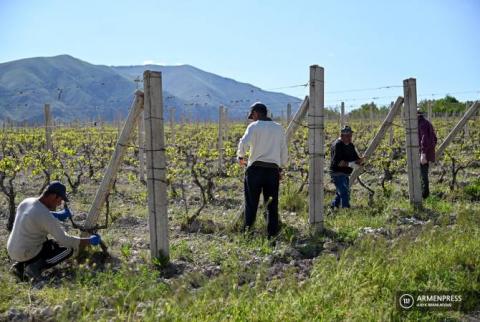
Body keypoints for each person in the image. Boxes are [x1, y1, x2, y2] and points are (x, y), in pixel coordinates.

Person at [7, 181, 102, 281]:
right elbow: (65, 240)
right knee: (68, 249)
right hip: (25, 252)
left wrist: (58, 215)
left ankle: (19, 267)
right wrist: (89, 240)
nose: (60, 203)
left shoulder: (27, 202)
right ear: (53, 196)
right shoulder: (46, 216)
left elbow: (36, 214)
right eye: (60, 199)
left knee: (46, 242)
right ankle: (34, 268)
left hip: (12, 249)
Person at [237, 102, 288, 238]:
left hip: (255, 170)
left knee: (251, 204)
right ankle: (272, 237)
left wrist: (241, 156)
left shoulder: (254, 126)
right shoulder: (279, 128)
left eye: (252, 115)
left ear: (257, 113)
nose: (252, 118)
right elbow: (284, 150)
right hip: (272, 171)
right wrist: (281, 168)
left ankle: (248, 235)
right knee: (272, 205)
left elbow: (243, 142)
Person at [330, 126, 364, 208]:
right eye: (348, 136)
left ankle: (333, 207)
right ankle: (346, 210)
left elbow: (356, 159)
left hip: (345, 173)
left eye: (351, 135)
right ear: (342, 136)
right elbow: (339, 163)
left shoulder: (350, 145)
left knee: (340, 192)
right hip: (337, 173)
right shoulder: (337, 145)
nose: (350, 138)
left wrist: (361, 161)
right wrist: (351, 164)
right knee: (345, 192)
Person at [418, 109, 437, 198]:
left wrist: (423, 153)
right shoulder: (426, 123)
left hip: (422, 153)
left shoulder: (422, 124)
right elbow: (435, 139)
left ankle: (424, 195)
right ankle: (424, 194)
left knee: (422, 174)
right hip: (424, 152)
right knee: (422, 173)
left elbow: (424, 138)